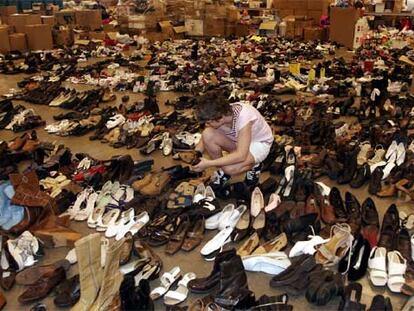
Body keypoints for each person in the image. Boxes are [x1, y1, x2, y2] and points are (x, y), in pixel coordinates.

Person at [192, 91, 274, 188]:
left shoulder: (244, 117)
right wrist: (196, 153)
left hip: (259, 143)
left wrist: (208, 163)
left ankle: (254, 165)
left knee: (229, 168)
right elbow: (205, 137)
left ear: (220, 118)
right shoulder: (222, 112)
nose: (207, 125)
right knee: (207, 134)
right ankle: (222, 170)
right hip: (239, 141)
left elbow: (241, 155)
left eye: (209, 122)